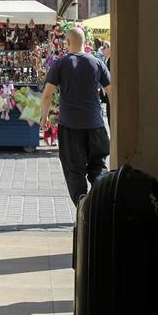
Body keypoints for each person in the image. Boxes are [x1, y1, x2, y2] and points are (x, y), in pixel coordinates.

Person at [40, 26, 111, 203]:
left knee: (74, 170)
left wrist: (44, 116)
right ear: (84, 42)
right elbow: (111, 91)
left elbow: (48, 94)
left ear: (68, 42)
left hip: (70, 126)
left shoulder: (61, 64)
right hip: (95, 125)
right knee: (98, 167)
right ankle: (101, 200)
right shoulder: (97, 63)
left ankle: (81, 203)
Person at [100, 40, 111, 125]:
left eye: (104, 47)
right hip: (106, 92)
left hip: (110, 91)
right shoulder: (106, 59)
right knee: (108, 114)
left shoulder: (111, 61)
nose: (102, 49)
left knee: (110, 114)